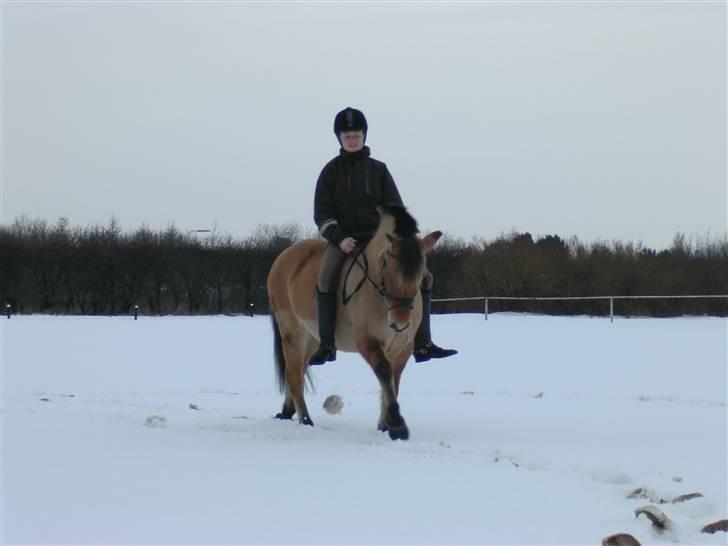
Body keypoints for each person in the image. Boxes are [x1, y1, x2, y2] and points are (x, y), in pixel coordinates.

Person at [309, 106, 457, 366]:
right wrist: (340, 237)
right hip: (343, 242)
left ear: (364, 136)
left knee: (424, 276)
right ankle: (326, 344)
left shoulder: (379, 170)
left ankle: (422, 343)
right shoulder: (329, 172)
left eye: (356, 135)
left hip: (380, 241)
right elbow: (322, 214)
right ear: (339, 139)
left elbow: (396, 210)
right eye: (347, 137)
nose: (352, 140)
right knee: (324, 277)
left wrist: (404, 240)